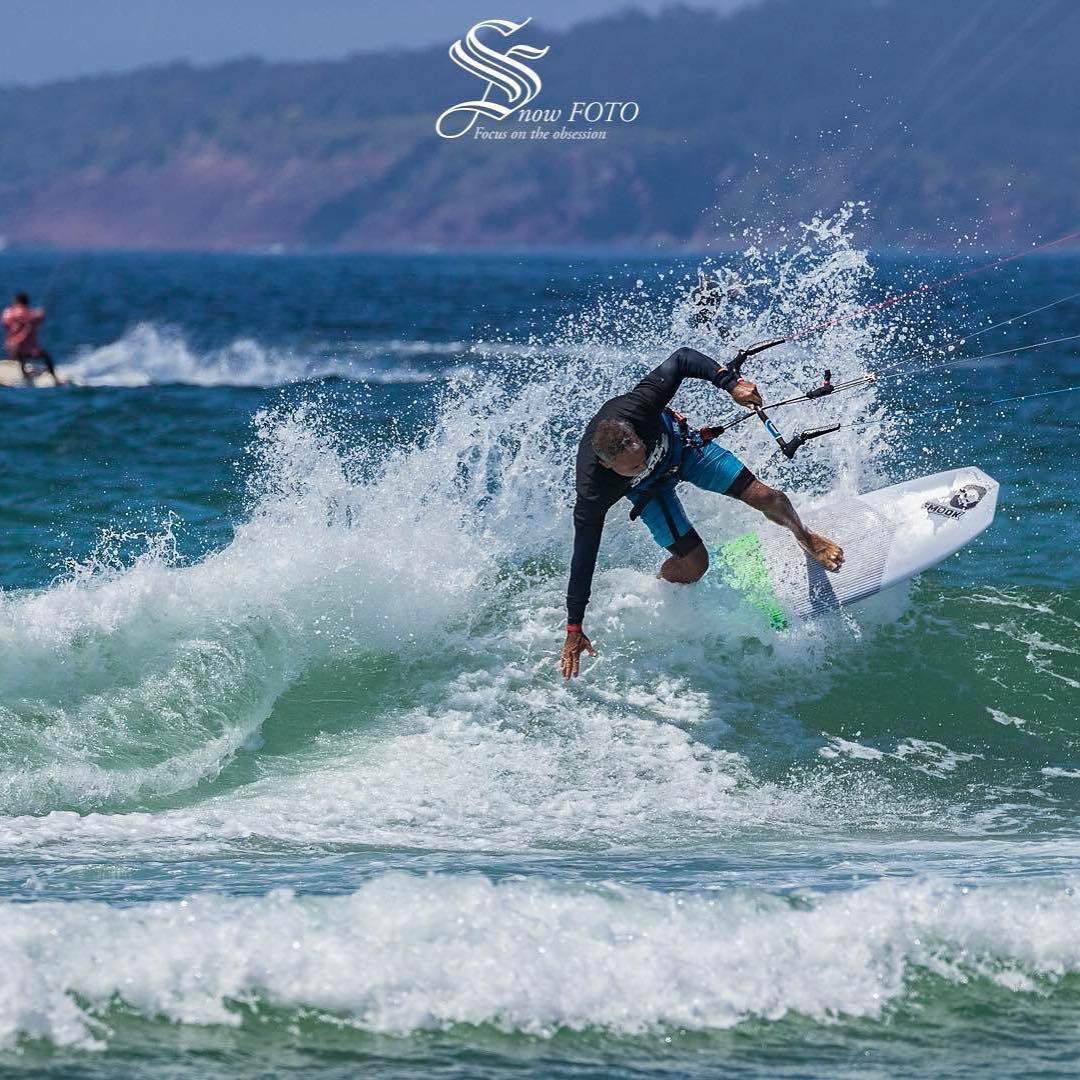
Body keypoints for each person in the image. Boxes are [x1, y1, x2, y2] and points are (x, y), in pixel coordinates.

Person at [560, 346, 845, 678]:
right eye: (633, 466)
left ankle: (805, 537)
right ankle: (663, 582)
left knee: (769, 497)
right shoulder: (593, 490)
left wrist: (731, 384)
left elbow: (682, 358)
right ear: (609, 467)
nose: (643, 463)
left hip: (683, 450)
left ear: (635, 433)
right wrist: (574, 626)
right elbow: (584, 557)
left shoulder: (637, 407)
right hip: (649, 491)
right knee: (695, 565)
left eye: (643, 453)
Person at [2, 291, 60, 384]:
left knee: (20, 356)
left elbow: (5, 322)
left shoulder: (8, 313)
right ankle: (54, 378)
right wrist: (40, 314)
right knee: (46, 357)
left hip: (12, 348)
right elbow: (37, 318)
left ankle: (23, 373)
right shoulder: (30, 314)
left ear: (15, 302)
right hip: (28, 350)